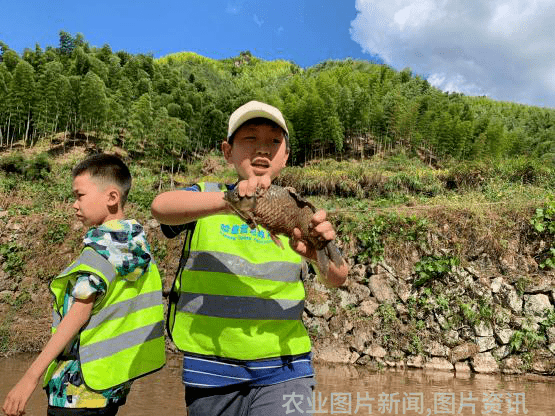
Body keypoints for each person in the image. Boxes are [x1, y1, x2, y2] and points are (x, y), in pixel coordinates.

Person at [151, 100, 349, 416]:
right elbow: (161, 207)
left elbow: (338, 276)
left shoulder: (299, 210)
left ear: (285, 155)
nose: (263, 149)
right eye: (250, 138)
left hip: (285, 366)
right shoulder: (206, 195)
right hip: (210, 367)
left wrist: (315, 254)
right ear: (228, 151)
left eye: (274, 141)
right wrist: (228, 201)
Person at [2, 153, 166, 416]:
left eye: (80, 195)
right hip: (112, 385)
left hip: (76, 390)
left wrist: (29, 378)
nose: (74, 205)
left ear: (112, 197)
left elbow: (78, 315)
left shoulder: (98, 255)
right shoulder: (139, 248)